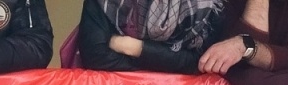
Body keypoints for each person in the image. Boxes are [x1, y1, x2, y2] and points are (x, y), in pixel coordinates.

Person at [76, 0, 226, 71]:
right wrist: (168, 61)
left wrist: (136, 48)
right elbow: (95, 56)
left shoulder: (205, 5)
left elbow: (199, 62)